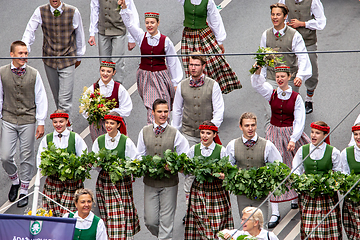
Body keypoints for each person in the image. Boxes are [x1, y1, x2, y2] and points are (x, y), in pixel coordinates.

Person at [251, 65, 310, 228]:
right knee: (274, 169)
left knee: (295, 166)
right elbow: (257, 85)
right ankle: (275, 212)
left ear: (289, 77)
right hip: (274, 133)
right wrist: (257, 71)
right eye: (277, 77)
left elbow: (299, 118)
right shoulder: (272, 93)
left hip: (291, 133)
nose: (279, 79)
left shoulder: (296, 97)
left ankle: (296, 197)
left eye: (283, 76)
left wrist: (293, 138)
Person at [172, 52, 224, 218]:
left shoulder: (213, 85)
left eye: (196, 65)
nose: (193, 68)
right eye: (191, 65)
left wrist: (211, 131)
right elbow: (177, 109)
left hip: (207, 136)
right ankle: (190, 211)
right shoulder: (182, 86)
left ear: (203, 67)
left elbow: (219, 110)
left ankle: (209, 208)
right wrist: (176, 133)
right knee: (189, 174)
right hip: (188, 134)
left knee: (208, 172)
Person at [0, 40, 48, 208]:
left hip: (28, 118)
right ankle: (15, 180)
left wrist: (41, 122)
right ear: (12, 54)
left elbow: (41, 98)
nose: (24, 56)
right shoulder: (2, 72)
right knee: (5, 156)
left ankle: (24, 190)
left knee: (27, 155)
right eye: (20, 53)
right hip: (8, 118)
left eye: (26, 53)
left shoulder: (34, 74)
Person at [119, 0, 183, 124]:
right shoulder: (141, 36)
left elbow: (172, 61)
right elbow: (130, 25)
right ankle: (152, 131)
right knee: (151, 106)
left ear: (158, 23)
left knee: (163, 105)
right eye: (147, 23)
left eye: (152, 22)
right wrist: (125, 8)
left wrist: (176, 81)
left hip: (160, 76)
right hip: (146, 76)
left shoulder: (165, 40)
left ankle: (164, 130)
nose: (149, 25)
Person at [22, 0, 86, 120]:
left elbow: (79, 34)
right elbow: (29, 31)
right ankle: (64, 122)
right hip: (49, 61)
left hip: (68, 59)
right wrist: (25, 50)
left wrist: (79, 55)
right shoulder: (40, 11)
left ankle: (67, 130)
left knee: (64, 100)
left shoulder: (73, 11)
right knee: (57, 98)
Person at [137, 99, 189, 240]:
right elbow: (139, 156)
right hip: (150, 182)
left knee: (166, 222)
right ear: (152, 112)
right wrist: (143, 165)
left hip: (169, 183)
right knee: (150, 221)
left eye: (166, 111)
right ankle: (163, 237)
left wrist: (174, 165)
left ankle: (165, 237)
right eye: (159, 111)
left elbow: (184, 156)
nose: (163, 114)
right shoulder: (144, 132)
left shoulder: (175, 133)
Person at [226, 112, 283, 226]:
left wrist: (267, 178)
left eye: (253, 125)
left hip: (261, 192)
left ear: (256, 126)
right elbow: (228, 167)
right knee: (246, 226)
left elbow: (278, 165)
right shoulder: (232, 145)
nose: (250, 128)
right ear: (241, 127)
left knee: (261, 226)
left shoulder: (267, 145)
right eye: (247, 125)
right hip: (242, 193)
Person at [174, 0, 242, 94]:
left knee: (213, 63)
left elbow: (214, 19)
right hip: (188, 37)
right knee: (191, 66)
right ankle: (195, 92)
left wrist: (219, 40)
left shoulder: (208, 2)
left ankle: (214, 90)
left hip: (203, 35)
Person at [92, 112, 140, 240]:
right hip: (105, 181)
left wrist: (124, 168)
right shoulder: (99, 141)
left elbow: (136, 160)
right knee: (108, 214)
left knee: (120, 214)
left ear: (118, 125)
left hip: (121, 182)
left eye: (112, 123)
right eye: (106, 123)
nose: (108, 125)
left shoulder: (126, 141)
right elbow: (94, 162)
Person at [293, 121, 342, 239]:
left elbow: (339, 173)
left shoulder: (333, 152)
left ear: (325, 135)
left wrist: (331, 184)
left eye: (317, 133)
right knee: (310, 229)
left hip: (327, 197)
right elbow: (296, 170)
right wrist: (301, 183)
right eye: (312, 132)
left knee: (328, 229)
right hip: (308, 196)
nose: (313, 136)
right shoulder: (303, 150)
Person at [185, 121, 233, 239]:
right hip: (199, 189)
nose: (204, 136)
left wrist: (223, 176)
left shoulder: (221, 150)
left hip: (217, 190)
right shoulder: (193, 150)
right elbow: (187, 171)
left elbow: (229, 171)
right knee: (202, 221)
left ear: (214, 135)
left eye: (208, 133)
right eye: (202, 133)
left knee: (217, 222)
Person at [37, 110, 88, 217]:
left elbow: (84, 157)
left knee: (68, 214)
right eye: (55, 122)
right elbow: (40, 160)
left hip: (71, 182)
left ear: (66, 121)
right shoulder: (47, 139)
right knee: (51, 214)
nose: (58, 125)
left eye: (61, 121)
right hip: (53, 182)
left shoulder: (75, 138)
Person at [278, 0, 326, 114]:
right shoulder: (284, 0)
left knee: (312, 72)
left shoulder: (313, 1)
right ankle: (293, 99)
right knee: (290, 70)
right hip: (291, 41)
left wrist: (302, 24)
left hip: (307, 41)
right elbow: (279, 17)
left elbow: (321, 22)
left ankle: (309, 99)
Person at [260, 3, 311, 93]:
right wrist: (261, 78)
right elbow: (262, 58)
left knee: (289, 106)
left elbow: (303, 57)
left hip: (289, 79)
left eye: (278, 14)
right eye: (273, 14)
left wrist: (300, 76)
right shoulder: (266, 35)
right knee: (272, 105)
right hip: (271, 78)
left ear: (285, 16)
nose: (275, 17)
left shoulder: (295, 35)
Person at [88, 0, 139, 83]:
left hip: (118, 30)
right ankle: (105, 87)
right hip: (103, 31)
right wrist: (92, 33)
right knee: (104, 63)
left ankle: (117, 87)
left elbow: (131, 13)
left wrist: (131, 38)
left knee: (117, 62)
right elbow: (94, 9)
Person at [82, 61, 132, 142]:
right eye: (103, 71)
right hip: (98, 126)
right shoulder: (92, 89)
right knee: (100, 148)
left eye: (108, 71)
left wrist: (110, 113)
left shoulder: (119, 89)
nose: (105, 74)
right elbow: (84, 108)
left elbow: (127, 109)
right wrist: (95, 114)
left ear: (114, 72)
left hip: (115, 124)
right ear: (99, 71)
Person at [341, 123, 360, 240]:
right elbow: (344, 173)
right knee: (355, 232)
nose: (358, 137)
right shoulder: (346, 153)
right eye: (356, 134)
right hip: (353, 199)